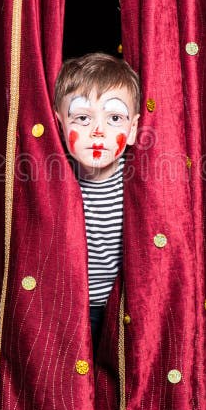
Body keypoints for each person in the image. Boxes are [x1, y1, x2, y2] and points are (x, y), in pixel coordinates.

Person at [53, 52, 141, 353]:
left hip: (122, 309)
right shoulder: (53, 183)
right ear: (59, 125)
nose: (98, 131)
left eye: (114, 117)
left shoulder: (140, 184)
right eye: (82, 118)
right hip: (71, 310)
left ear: (132, 130)